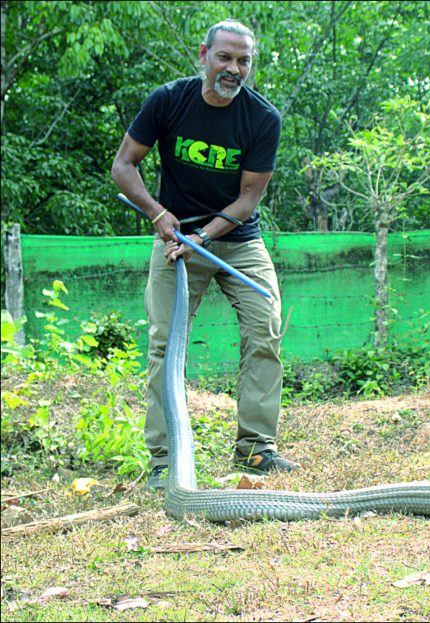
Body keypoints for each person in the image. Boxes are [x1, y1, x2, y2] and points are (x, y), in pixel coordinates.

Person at [111, 19, 299, 489]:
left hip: (236, 239)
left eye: (243, 61)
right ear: (204, 54)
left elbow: (247, 199)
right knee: (164, 344)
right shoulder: (168, 101)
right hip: (174, 239)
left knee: (265, 325)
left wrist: (207, 235)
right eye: (225, 57)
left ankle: (256, 449)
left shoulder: (262, 119)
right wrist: (158, 215)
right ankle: (162, 460)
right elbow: (123, 166)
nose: (233, 68)